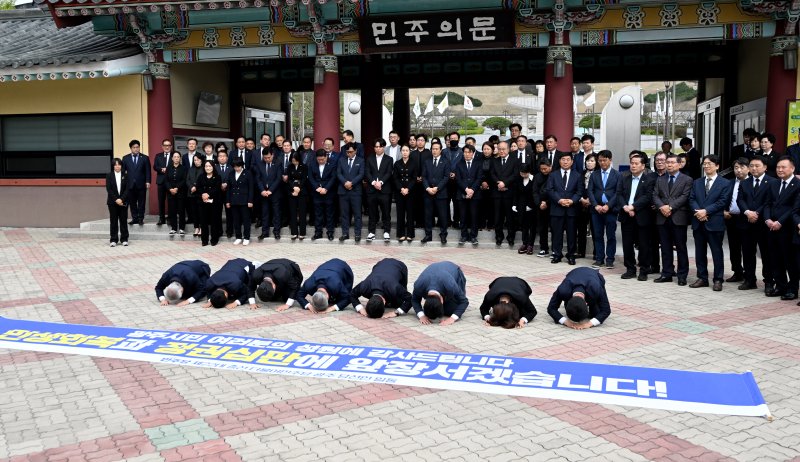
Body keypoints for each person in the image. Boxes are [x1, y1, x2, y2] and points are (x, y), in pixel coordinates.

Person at [688, 155, 731, 291]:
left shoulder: (725, 183)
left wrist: (705, 211)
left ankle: (718, 279)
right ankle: (702, 278)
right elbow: (691, 199)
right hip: (698, 222)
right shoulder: (697, 182)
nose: (706, 166)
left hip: (714, 222)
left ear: (717, 166)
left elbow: (722, 202)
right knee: (700, 252)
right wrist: (699, 212)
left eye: (709, 164)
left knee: (716, 252)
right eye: (704, 164)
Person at [653, 154, 693, 285]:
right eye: (667, 162)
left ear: (679, 164)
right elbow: (655, 195)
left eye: (672, 162)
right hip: (662, 217)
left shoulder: (687, 179)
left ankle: (682, 275)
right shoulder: (660, 179)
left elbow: (684, 196)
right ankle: (667, 273)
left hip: (678, 217)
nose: (669, 165)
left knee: (681, 247)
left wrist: (670, 207)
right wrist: (662, 207)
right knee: (665, 247)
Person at [737, 156, 775, 292]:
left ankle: (769, 282)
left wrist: (756, 213)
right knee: (747, 253)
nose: (754, 168)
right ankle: (750, 280)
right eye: (751, 166)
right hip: (746, 223)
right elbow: (740, 200)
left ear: (765, 167)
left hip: (763, 224)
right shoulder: (744, 182)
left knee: (766, 254)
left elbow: (768, 202)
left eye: (757, 165)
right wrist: (748, 212)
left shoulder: (772, 182)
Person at [764, 156, 800, 299]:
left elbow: (794, 208)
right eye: (778, 167)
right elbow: (767, 203)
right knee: (775, 259)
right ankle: (780, 286)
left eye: (783, 167)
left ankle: (792, 289)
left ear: (792, 168)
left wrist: (780, 222)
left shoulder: (797, 185)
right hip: (771, 227)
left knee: (790, 260)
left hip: (788, 228)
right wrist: (767, 219)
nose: (780, 170)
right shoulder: (773, 184)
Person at [617, 152, 656, 281]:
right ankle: (630, 269)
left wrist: (633, 207)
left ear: (643, 166)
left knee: (644, 245)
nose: (633, 166)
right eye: (631, 163)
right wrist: (625, 208)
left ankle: (644, 270)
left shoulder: (649, 179)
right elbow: (619, 194)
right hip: (626, 215)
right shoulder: (624, 178)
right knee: (627, 244)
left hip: (642, 216)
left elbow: (647, 197)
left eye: (636, 164)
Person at [547, 152, 583, 265]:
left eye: (568, 159)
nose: (565, 161)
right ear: (559, 161)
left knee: (572, 234)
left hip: (572, 210)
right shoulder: (553, 175)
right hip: (557, 209)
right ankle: (557, 254)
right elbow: (550, 190)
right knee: (556, 234)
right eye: (563, 159)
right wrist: (560, 200)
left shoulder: (577, 175)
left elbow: (579, 191)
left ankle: (571, 255)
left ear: (572, 162)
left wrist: (572, 201)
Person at [546, 267, 611, 329]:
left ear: (586, 303)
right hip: (573, 274)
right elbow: (551, 308)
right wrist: (565, 322)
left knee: (596, 313)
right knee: (573, 310)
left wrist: (589, 324)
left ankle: (592, 306)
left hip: (593, 276)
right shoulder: (563, 290)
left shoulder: (595, 288)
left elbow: (606, 310)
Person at [587, 150, 621, 269]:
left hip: (610, 210)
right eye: (600, 160)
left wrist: (608, 205)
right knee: (598, 235)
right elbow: (590, 191)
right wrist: (595, 205)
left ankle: (610, 259)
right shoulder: (594, 174)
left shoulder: (617, 175)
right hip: (596, 210)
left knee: (611, 235)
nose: (602, 163)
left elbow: (618, 192)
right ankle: (599, 258)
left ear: (610, 160)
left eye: (604, 160)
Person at [412, 261, 468, 326]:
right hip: (435, 273)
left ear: (442, 300)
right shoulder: (419, 285)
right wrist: (421, 315)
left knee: (451, 310)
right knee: (434, 309)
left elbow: (464, 301)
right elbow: (414, 300)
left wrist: (452, 319)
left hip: (453, 270)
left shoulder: (451, 286)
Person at [724, 157, 750, 283]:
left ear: (748, 168)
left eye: (742, 167)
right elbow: (724, 199)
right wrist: (724, 211)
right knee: (734, 247)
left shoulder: (751, 183)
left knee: (747, 248)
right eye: (736, 168)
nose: (738, 170)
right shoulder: (729, 183)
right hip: (731, 218)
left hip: (746, 219)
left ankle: (749, 274)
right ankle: (737, 271)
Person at [490, 141, 519, 248]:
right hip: (497, 193)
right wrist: (498, 183)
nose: (501, 151)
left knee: (510, 217)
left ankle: (511, 237)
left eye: (504, 149)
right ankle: (499, 237)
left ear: (508, 149)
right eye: (500, 149)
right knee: (498, 217)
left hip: (509, 193)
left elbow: (515, 175)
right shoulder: (494, 161)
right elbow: (492, 174)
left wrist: (505, 183)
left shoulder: (514, 160)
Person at [422, 141, 450, 244]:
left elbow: (446, 177)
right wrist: (427, 188)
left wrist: (437, 188)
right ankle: (428, 235)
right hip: (428, 193)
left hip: (441, 193)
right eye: (433, 149)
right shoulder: (427, 161)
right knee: (428, 215)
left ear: (440, 150)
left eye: (436, 149)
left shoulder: (446, 161)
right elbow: (424, 177)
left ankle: (443, 235)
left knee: (442, 216)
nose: (434, 151)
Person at [335, 143, 364, 242]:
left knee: (357, 214)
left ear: (355, 151)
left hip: (355, 191)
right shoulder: (341, 160)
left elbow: (361, 174)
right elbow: (338, 173)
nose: (349, 154)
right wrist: (345, 182)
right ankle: (345, 233)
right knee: (344, 214)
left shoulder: (361, 160)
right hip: (343, 191)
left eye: (351, 152)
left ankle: (357, 234)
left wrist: (351, 183)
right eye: (347, 152)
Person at [366, 138, 393, 241]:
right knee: (372, 212)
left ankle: (386, 231)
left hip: (384, 190)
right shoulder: (369, 158)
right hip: (372, 190)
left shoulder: (389, 159)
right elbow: (367, 172)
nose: (378, 149)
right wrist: (374, 183)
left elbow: (389, 172)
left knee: (386, 212)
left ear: (383, 147)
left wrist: (380, 182)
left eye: (380, 147)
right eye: (376, 147)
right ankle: (371, 232)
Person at [454, 144, 482, 246]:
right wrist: (466, 189)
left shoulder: (478, 164)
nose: (467, 154)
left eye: (469, 152)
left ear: (473, 153)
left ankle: (473, 236)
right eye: (465, 152)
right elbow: (458, 179)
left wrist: (472, 190)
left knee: (474, 216)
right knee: (463, 216)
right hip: (462, 193)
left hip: (475, 194)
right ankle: (464, 235)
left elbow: (479, 178)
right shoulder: (459, 164)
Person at [121, 139, 150, 226]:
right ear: (131, 148)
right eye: (134, 147)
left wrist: (148, 181)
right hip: (130, 185)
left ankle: (141, 218)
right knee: (132, 203)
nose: (136, 149)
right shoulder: (125, 158)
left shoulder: (145, 158)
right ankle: (135, 218)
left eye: (137, 147)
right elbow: (123, 172)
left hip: (141, 184)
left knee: (141, 202)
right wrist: (124, 183)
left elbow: (147, 171)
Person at [256, 149, 283, 241]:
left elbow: (279, 178)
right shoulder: (260, 164)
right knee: (264, 213)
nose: (267, 159)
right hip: (263, 193)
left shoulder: (278, 163)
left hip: (275, 192)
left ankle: (276, 232)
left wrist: (271, 190)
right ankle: (264, 232)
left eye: (268, 157)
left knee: (276, 213)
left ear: (272, 155)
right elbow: (258, 179)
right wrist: (262, 190)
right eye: (265, 158)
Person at [310, 149, 337, 240]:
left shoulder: (332, 163)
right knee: (318, 214)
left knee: (329, 213)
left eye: (322, 159)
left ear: (326, 157)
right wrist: (317, 188)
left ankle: (330, 232)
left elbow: (333, 177)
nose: (321, 161)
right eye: (319, 160)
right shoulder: (312, 163)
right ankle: (318, 232)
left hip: (328, 192)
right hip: (316, 192)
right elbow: (310, 177)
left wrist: (326, 188)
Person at [226, 158, 254, 245]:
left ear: (242, 165)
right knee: (236, 220)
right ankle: (238, 237)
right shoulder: (231, 174)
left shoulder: (248, 173)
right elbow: (228, 189)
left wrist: (250, 200)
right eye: (234, 167)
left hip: (245, 201)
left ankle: (246, 237)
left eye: (238, 166)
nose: (236, 168)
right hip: (234, 200)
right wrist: (228, 201)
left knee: (246, 220)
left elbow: (251, 188)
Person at [393, 145, 418, 242]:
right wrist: (401, 188)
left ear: (409, 152)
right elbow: (395, 178)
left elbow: (414, 178)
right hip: (400, 192)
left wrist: (408, 189)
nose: (405, 152)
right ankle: (401, 234)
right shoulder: (397, 163)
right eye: (403, 150)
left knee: (410, 213)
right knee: (400, 213)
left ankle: (410, 234)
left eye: (406, 150)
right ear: (401, 152)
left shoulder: (413, 163)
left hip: (410, 192)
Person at [196, 160, 223, 246]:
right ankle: (204, 240)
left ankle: (214, 239)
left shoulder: (218, 177)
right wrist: (203, 194)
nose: (208, 168)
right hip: (203, 202)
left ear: (213, 167)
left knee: (214, 221)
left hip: (214, 202)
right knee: (203, 222)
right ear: (204, 168)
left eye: (210, 166)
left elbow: (217, 188)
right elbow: (198, 187)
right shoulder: (201, 177)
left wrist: (208, 194)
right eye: (206, 166)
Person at [576, 153, 596, 259]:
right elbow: (578, 188)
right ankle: (580, 252)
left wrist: (591, 200)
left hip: (594, 205)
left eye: (592, 161)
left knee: (595, 230)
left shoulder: (598, 174)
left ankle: (596, 253)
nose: (589, 163)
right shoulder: (581, 174)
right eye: (588, 161)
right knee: (581, 229)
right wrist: (582, 199)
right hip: (581, 204)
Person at [513, 164, 536, 254]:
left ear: (529, 172)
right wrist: (514, 204)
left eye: (525, 173)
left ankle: (531, 244)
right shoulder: (518, 179)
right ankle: (524, 243)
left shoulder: (534, 179)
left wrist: (530, 205)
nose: (523, 175)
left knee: (532, 226)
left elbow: (535, 193)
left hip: (532, 206)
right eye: (521, 173)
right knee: (524, 226)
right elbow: (516, 193)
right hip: (521, 205)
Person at [106, 158, 129, 247]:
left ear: (121, 166)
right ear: (113, 166)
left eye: (119, 164)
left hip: (123, 202)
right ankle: (113, 239)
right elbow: (109, 189)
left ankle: (124, 239)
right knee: (113, 221)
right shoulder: (109, 175)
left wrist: (121, 199)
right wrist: (116, 199)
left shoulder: (125, 175)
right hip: (112, 202)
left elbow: (127, 189)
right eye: (115, 165)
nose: (117, 166)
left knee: (123, 220)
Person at [286, 152, 308, 240]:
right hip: (292, 191)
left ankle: (302, 232)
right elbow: (289, 179)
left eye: (295, 161)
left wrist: (298, 188)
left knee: (302, 212)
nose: (294, 162)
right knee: (293, 212)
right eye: (292, 161)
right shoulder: (290, 167)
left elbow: (304, 179)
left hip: (302, 191)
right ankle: (294, 232)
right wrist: (294, 188)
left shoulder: (304, 167)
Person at [153, 139, 174, 226]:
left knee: (170, 200)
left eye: (168, 145)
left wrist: (168, 169)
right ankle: (161, 218)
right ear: (162, 146)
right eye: (165, 145)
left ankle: (170, 218)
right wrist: (161, 169)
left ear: (171, 146)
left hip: (171, 181)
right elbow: (155, 166)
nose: (167, 147)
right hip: (161, 181)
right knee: (161, 200)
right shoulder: (158, 156)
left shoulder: (175, 155)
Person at [166, 151, 187, 235]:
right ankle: (173, 228)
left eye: (178, 157)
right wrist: (170, 189)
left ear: (180, 158)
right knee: (172, 211)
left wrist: (177, 188)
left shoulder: (183, 168)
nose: (176, 158)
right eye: (175, 157)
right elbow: (166, 180)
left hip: (180, 192)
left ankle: (182, 228)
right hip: (170, 193)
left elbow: (184, 180)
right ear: (172, 158)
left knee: (181, 211)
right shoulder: (169, 168)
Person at [478, 141, 496, 231]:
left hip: (491, 186)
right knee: (481, 206)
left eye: (488, 149)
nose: (486, 151)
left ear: (492, 150)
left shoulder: (495, 160)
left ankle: (490, 224)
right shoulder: (478, 159)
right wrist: (482, 182)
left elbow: (494, 174)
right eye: (484, 149)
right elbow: (477, 172)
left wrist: (488, 183)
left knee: (491, 206)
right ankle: (481, 224)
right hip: (480, 185)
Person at [186, 154, 204, 237]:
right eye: (195, 160)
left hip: (200, 194)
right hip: (191, 194)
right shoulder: (190, 169)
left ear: (201, 160)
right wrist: (191, 187)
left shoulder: (204, 169)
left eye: (198, 160)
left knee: (201, 211)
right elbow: (187, 180)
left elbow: (204, 181)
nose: (196, 161)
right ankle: (196, 227)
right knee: (194, 212)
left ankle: (201, 227)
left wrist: (196, 187)